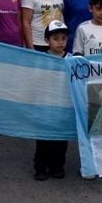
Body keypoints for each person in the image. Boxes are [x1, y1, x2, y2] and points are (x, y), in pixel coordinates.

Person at [33, 20, 70, 181]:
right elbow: (36, 80)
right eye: (55, 38)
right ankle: (41, 167)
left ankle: (57, 166)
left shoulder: (71, 59)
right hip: (46, 107)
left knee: (61, 139)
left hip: (63, 107)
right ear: (47, 40)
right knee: (44, 139)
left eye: (63, 38)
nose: (60, 42)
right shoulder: (41, 59)